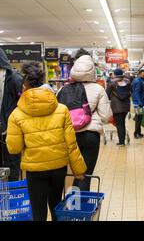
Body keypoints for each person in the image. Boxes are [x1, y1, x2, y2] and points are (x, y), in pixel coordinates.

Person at [6, 62, 86, 221]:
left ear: (25, 84)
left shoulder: (16, 114)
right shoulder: (62, 109)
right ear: (44, 81)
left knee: (38, 211)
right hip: (58, 168)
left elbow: (14, 148)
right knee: (56, 205)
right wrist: (78, 169)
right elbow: (71, 143)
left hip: (35, 170)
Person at [60, 49, 112, 191]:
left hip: (69, 136)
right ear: (92, 70)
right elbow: (106, 116)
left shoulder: (63, 90)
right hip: (90, 135)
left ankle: (74, 205)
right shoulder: (98, 89)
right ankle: (83, 209)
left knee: (75, 173)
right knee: (86, 175)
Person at [0, 48, 23, 181]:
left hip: (11, 131)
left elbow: (23, 104)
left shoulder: (14, 79)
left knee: (12, 165)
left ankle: (13, 197)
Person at [106, 69, 131, 146]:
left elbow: (106, 94)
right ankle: (122, 140)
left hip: (116, 106)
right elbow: (131, 91)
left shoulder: (112, 83)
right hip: (126, 106)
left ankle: (121, 142)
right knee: (122, 122)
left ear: (115, 74)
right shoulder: (128, 81)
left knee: (119, 124)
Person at [131, 70, 144, 139]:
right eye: (143, 75)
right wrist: (139, 102)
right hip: (138, 102)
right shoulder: (138, 81)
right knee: (138, 118)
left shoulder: (141, 80)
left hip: (140, 101)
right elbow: (136, 92)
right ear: (139, 74)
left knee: (140, 117)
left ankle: (139, 132)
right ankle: (136, 133)